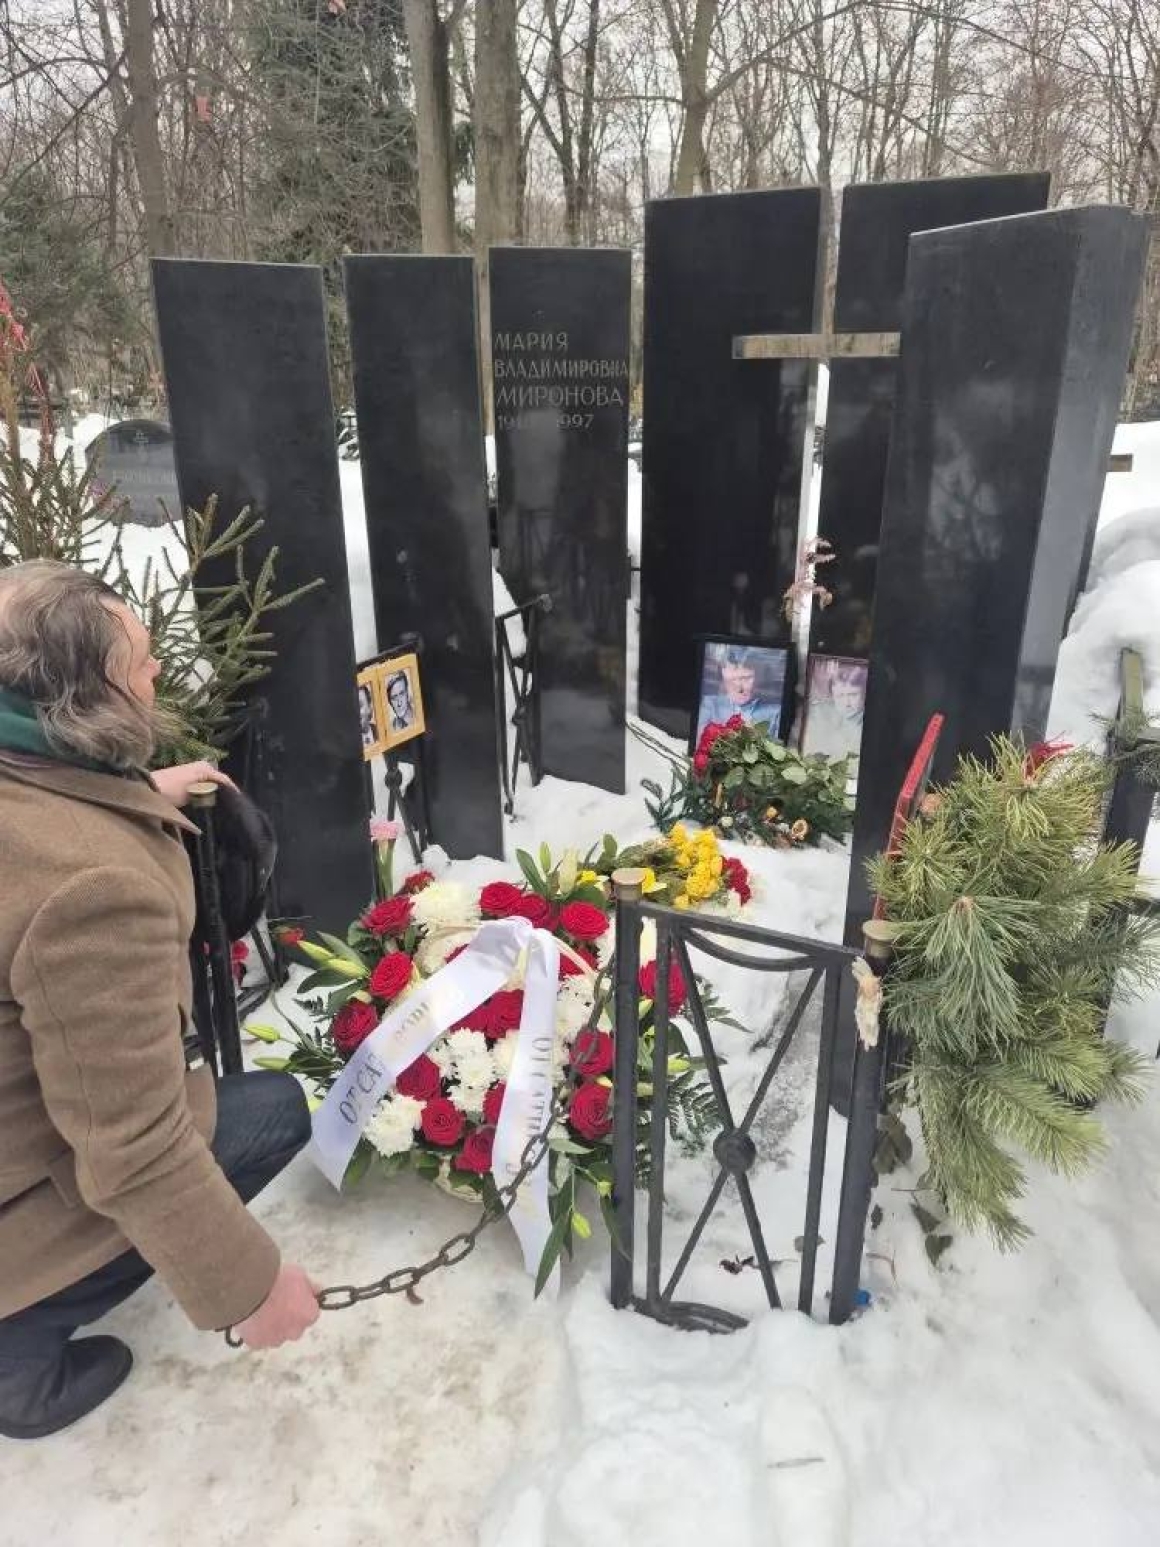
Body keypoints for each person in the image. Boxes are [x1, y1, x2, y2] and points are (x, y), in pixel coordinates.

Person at [0, 560, 320, 1441]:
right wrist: (249, 1288)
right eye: (139, 663)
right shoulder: (90, 890)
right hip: (17, 1188)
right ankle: (17, 1345)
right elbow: (132, 1145)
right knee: (274, 1113)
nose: (158, 673)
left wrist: (134, 791)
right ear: (85, 697)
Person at [696, 644, 784, 742]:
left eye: (746, 678)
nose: (739, 688)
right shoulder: (710, 704)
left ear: (760, 677)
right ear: (723, 677)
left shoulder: (775, 712)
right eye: (732, 680)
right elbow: (699, 743)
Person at [386, 669, 415, 734]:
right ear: (390, 702)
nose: (399, 703)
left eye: (401, 694)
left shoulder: (418, 716)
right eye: (394, 698)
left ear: (407, 692)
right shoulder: (392, 728)